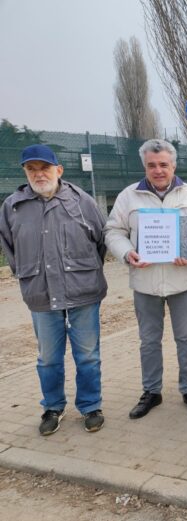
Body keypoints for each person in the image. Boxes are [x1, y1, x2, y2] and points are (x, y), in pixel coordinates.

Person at [104, 139, 187, 419]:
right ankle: (151, 391)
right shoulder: (128, 197)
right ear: (145, 166)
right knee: (148, 340)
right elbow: (113, 231)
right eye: (152, 165)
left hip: (182, 280)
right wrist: (127, 252)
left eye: (163, 165)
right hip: (145, 282)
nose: (158, 170)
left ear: (174, 165)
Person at [0, 144, 108, 435]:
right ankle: (53, 407)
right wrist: (27, 276)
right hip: (41, 295)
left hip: (82, 292)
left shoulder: (82, 201)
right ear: (24, 172)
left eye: (44, 168)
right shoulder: (13, 206)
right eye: (31, 169)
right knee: (48, 358)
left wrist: (84, 272)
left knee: (87, 355)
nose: (39, 174)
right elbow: (10, 249)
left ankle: (90, 406)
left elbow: (100, 240)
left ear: (58, 170)